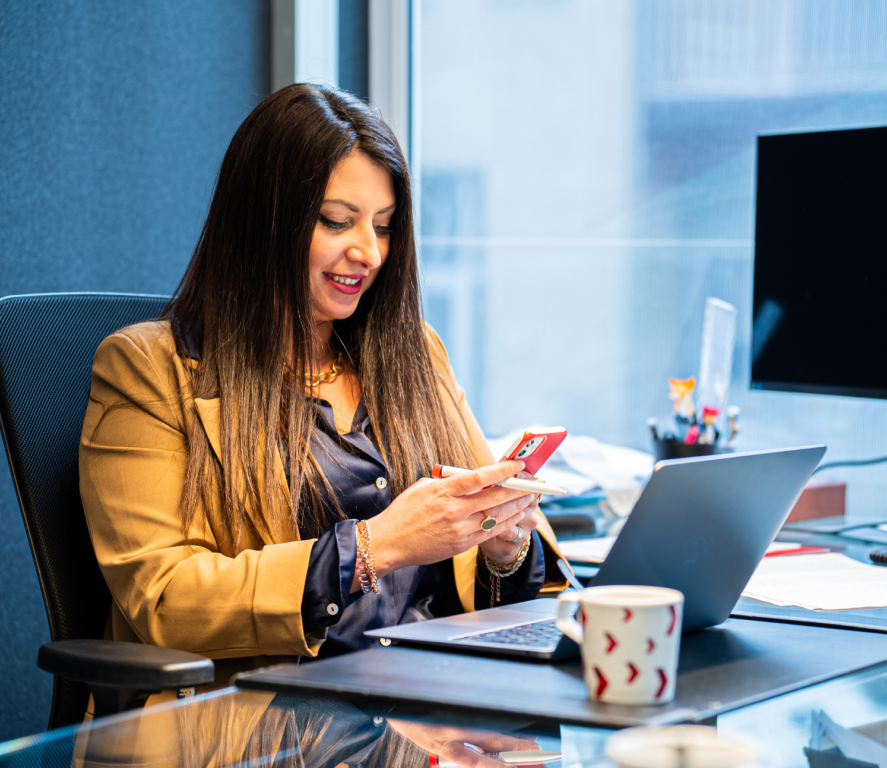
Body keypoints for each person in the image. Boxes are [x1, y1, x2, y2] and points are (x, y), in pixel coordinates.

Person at [78, 83, 565, 695]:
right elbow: (167, 600)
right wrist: (376, 545)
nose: (368, 251)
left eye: (384, 228)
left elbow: (492, 574)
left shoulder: (415, 353)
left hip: (430, 712)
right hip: (268, 726)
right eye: (338, 221)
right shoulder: (147, 370)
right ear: (263, 222)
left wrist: (504, 545)